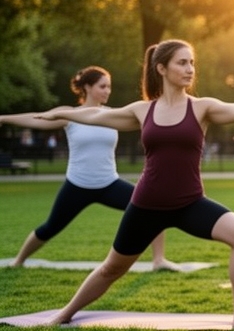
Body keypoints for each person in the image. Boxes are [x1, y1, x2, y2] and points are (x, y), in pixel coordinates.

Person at [36, 40, 234, 327]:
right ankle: (65, 314)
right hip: (147, 205)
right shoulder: (143, 111)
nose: (190, 69)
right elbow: (99, 115)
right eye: (182, 62)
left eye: (192, 62)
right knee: (112, 269)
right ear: (161, 68)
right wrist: (62, 113)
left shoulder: (202, 108)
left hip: (189, 203)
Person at [0, 66, 177, 270]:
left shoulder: (113, 115)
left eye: (109, 87)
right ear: (87, 87)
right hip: (77, 185)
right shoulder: (69, 115)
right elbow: (36, 118)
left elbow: (149, 117)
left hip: (109, 183)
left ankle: (158, 260)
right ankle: (18, 261)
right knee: (50, 227)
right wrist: (3, 119)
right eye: (103, 86)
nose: (107, 91)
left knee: (151, 207)